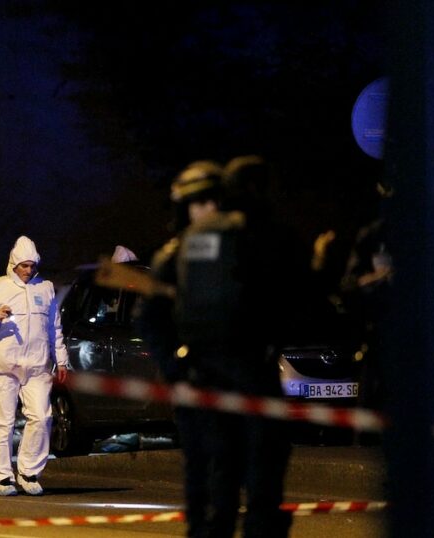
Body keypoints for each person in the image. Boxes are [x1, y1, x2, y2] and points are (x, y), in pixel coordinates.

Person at [137, 158, 296, 537]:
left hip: (227, 382)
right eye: (199, 204)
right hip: (226, 382)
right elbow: (151, 322)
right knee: (233, 484)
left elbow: (149, 319)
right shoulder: (187, 254)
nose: (205, 212)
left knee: (239, 484)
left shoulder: (221, 248)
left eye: (209, 203)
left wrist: (179, 368)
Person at [0, 235, 70, 496]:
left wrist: (61, 359)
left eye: (32, 265)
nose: (28, 270)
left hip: (36, 365)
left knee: (42, 417)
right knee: (2, 422)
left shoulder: (45, 289)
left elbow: (54, 327)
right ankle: (3, 477)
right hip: (1, 365)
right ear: (13, 264)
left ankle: (29, 471)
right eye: (23, 265)